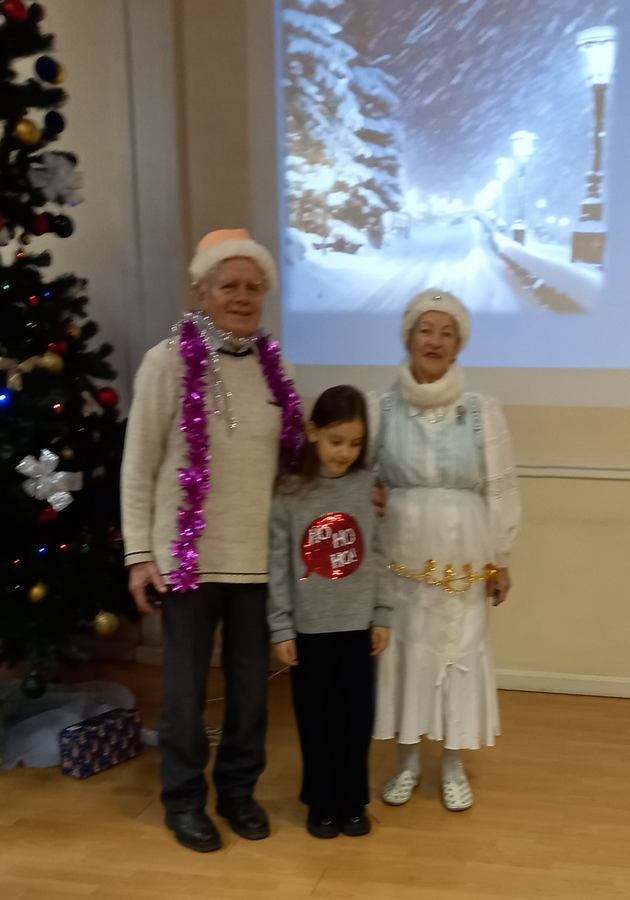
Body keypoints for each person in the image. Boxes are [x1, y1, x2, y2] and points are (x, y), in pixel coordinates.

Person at [121, 229, 303, 852]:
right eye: (229, 286)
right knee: (185, 692)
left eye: (254, 287)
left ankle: (239, 793)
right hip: (186, 562)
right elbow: (138, 466)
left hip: (257, 562)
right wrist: (139, 557)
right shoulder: (166, 362)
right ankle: (183, 801)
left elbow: (294, 468)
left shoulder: (278, 369)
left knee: (251, 693)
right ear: (202, 291)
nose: (243, 297)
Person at [373, 289, 521, 811]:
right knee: (405, 654)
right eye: (425, 330)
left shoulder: (481, 410)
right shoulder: (381, 408)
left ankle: (453, 765)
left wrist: (502, 557)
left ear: (459, 345)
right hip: (400, 554)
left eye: (446, 333)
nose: (434, 341)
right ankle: (408, 763)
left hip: (464, 556)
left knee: (459, 650)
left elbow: (499, 486)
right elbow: (357, 475)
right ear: (408, 338)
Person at [267, 385, 391, 839]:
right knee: (315, 720)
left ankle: (353, 801)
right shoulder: (290, 490)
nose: (345, 453)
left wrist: (382, 613)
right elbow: (279, 564)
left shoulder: (365, 487)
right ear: (313, 431)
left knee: (356, 719)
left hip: (358, 628)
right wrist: (281, 627)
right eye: (337, 441)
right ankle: (320, 803)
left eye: (355, 443)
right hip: (309, 630)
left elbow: (378, 554)